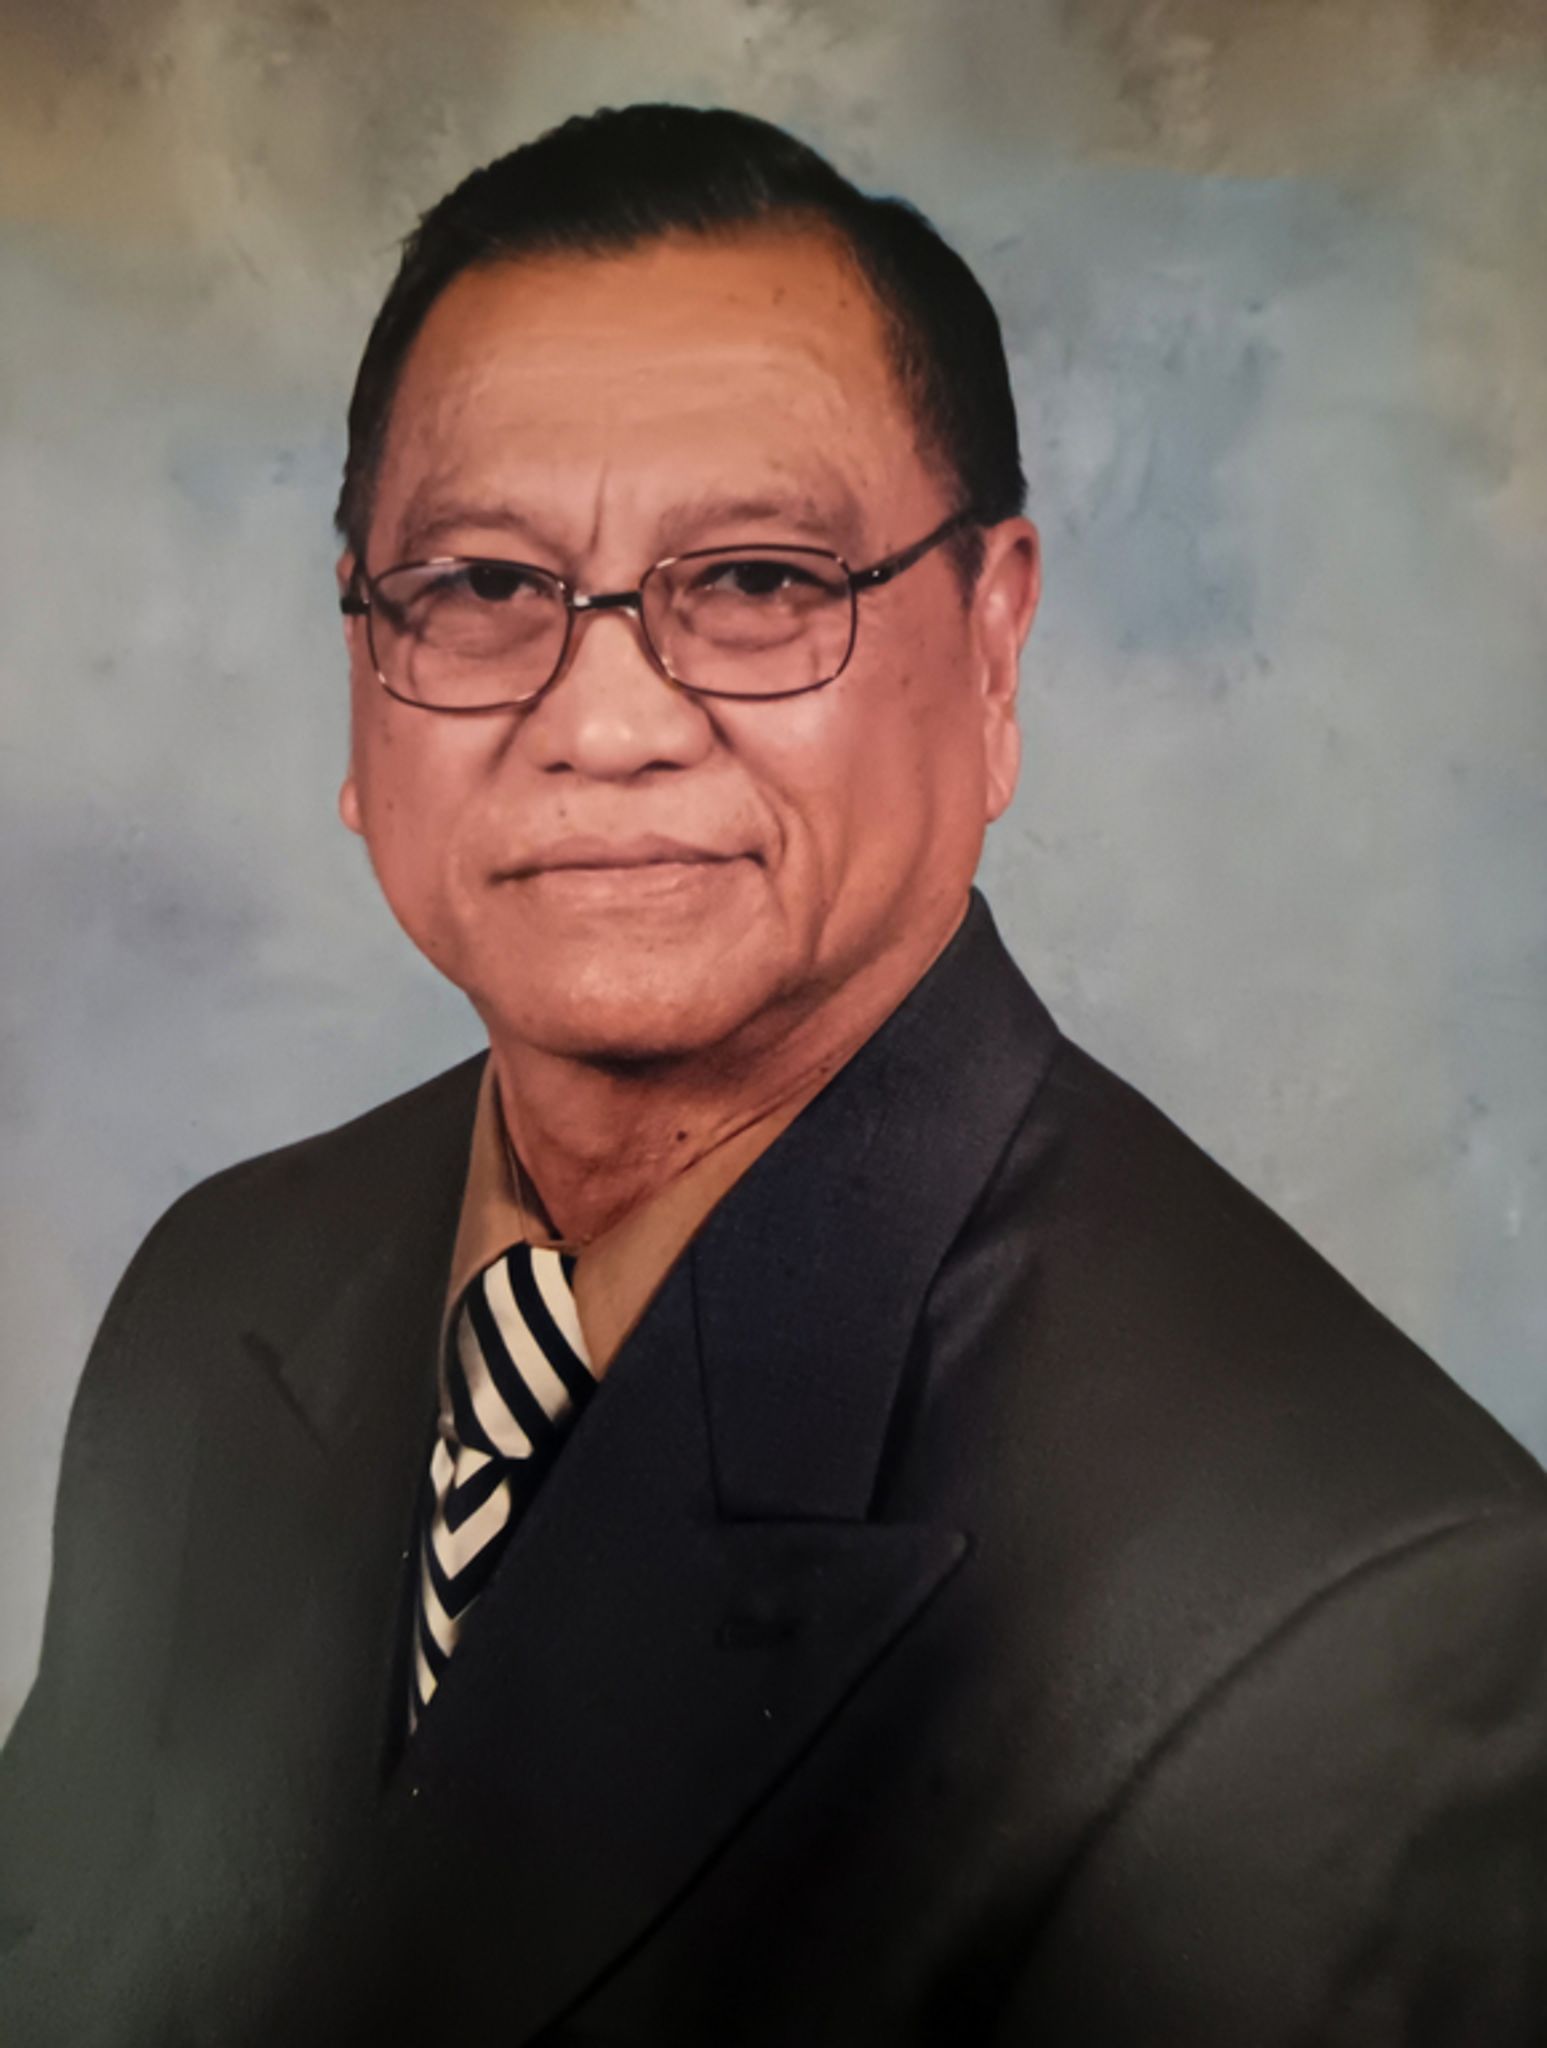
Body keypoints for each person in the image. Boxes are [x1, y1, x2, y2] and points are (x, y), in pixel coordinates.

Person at [1, 102, 1544, 2048]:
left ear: (994, 649)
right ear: (363, 663)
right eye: (482, 585)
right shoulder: (223, 1290)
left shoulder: (1364, 1637)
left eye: (754, 581)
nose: (605, 721)